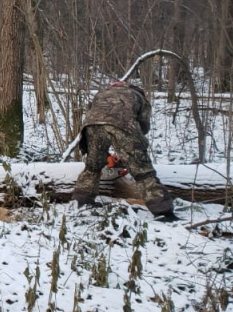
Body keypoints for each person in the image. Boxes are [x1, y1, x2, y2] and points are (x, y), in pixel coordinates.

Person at [72, 81, 176, 220]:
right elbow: (143, 125)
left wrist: (106, 154)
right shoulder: (138, 95)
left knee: (92, 167)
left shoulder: (101, 94)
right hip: (124, 127)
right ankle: (163, 211)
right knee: (142, 172)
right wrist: (128, 152)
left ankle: (81, 202)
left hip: (91, 127)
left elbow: (93, 117)